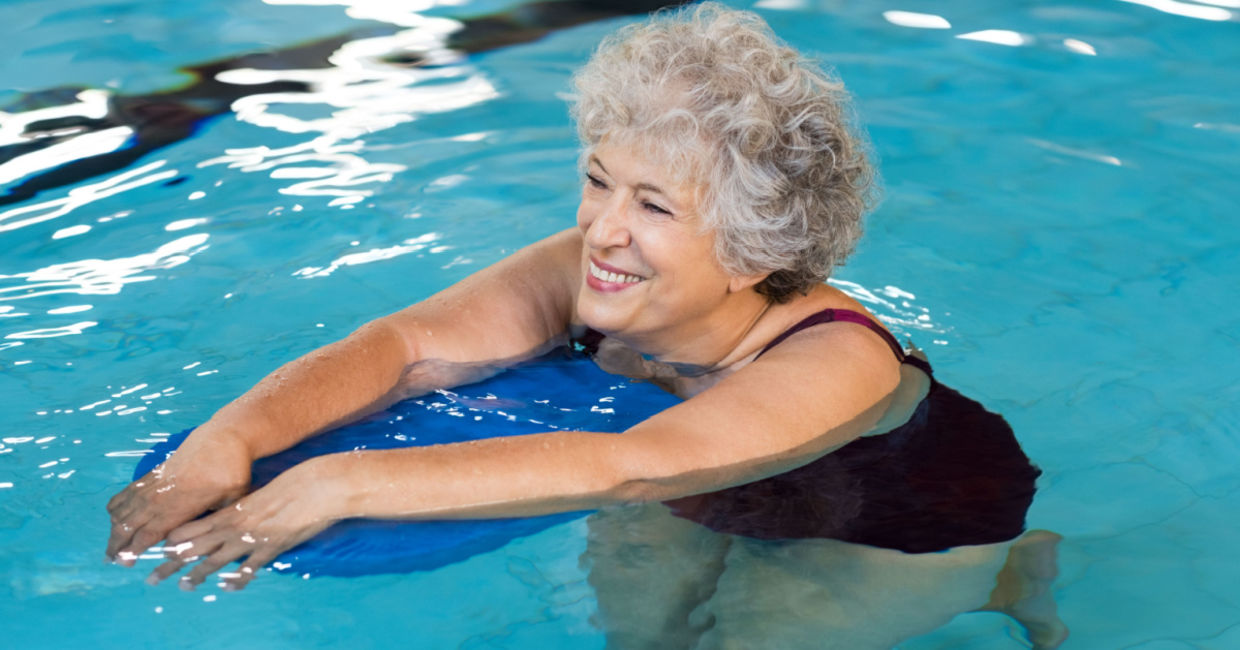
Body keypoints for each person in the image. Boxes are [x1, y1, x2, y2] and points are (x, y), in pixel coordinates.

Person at [106, 4, 1063, 647]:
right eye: (600, 179)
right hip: (689, 477)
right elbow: (401, 350)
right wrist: (230, 439)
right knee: (639, 640)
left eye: (655, 205)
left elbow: (628, 463)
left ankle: (1010, 573)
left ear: (750, 250)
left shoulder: (832, 362)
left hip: (893, 517)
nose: (601, 229)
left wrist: (341, 481)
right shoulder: (592, 268)